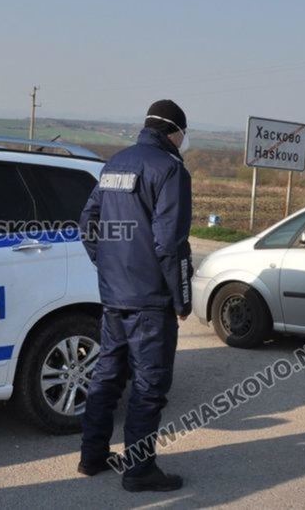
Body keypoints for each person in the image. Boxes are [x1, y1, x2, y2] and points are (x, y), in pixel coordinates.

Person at [77, 99, 193, 492]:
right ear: (174, 131)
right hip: (150, 300)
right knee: (149, 384)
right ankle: (139, 470)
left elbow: (88, 222)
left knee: (107, 376)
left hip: (114, 295)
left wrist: (106, 263)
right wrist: (182, 298)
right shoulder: (170, 169)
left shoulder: (115, 163)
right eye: (183, 133)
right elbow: (170, 243)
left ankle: (92, 456)